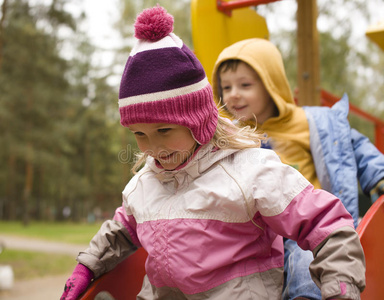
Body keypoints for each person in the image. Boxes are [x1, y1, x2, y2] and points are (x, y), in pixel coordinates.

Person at [61, 6, 366, 300]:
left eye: (164, 131)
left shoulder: (250, 171)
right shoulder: (146, 181)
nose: (153, 148)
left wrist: (340, 285)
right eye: (140, 135)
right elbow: (120, 230)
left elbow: (324, 221)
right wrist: (85, 268)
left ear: (197, 121)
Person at [212, 38, 384, 300]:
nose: (233, 94)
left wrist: (379, 175)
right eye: (226, 87)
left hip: (307, 222)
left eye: (245, 85)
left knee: (307, 259)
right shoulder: (230, 136)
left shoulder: (311, 121)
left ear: (272, 85)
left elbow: (354, 145)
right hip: (256, 234)